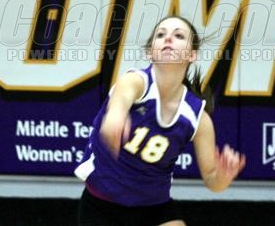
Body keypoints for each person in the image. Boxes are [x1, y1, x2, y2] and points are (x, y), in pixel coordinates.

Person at [74, 15, 246, 226]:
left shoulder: (198, 118)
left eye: (179, 36)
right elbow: (117, 107)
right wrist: (115, 119)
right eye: (161, 35)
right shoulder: (135, 82)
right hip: (102, 206)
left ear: (192, 55)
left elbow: (212, 180)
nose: (168, 39)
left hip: (154, 209)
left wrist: (223, 177)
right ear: (150, 52)